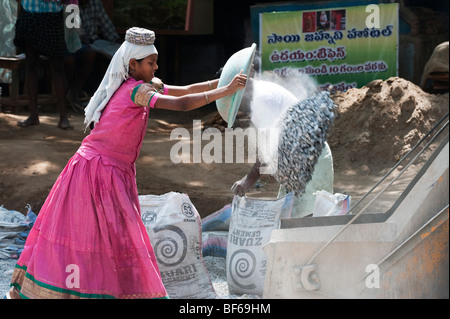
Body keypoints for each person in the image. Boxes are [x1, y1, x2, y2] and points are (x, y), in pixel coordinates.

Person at [6, 27, 247, 299]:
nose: (156, 66)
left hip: (111, 170)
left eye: (156, 61)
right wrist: (226, 89)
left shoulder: (145, 84)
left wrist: (225, 83)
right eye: (151, 63)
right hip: (97, 170)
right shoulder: (137, 91)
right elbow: (179, 106)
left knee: (109, 234)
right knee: (98, 234)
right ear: (133, 64)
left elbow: (186, 91)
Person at [231, 76, 333, 218]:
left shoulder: (262, 99)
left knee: (308, 223)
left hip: (311, 165)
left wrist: (248, 180)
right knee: (288, 222)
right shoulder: (261, 94)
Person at [14, 0, 73, 129]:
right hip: (29, 13)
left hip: (52, 16)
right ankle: (33, 115)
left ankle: (63, 117)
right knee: (31, 66)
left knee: (57, 67)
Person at [65, 0, 122, 112]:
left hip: (92, 43)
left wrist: (121, 44)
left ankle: (78, 92)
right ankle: (73, 91)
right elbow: (72, 33)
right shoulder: (70, 5)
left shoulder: (95, 3)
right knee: (69, 60)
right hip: (72, 43)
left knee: (94, 55)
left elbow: (107, 28)